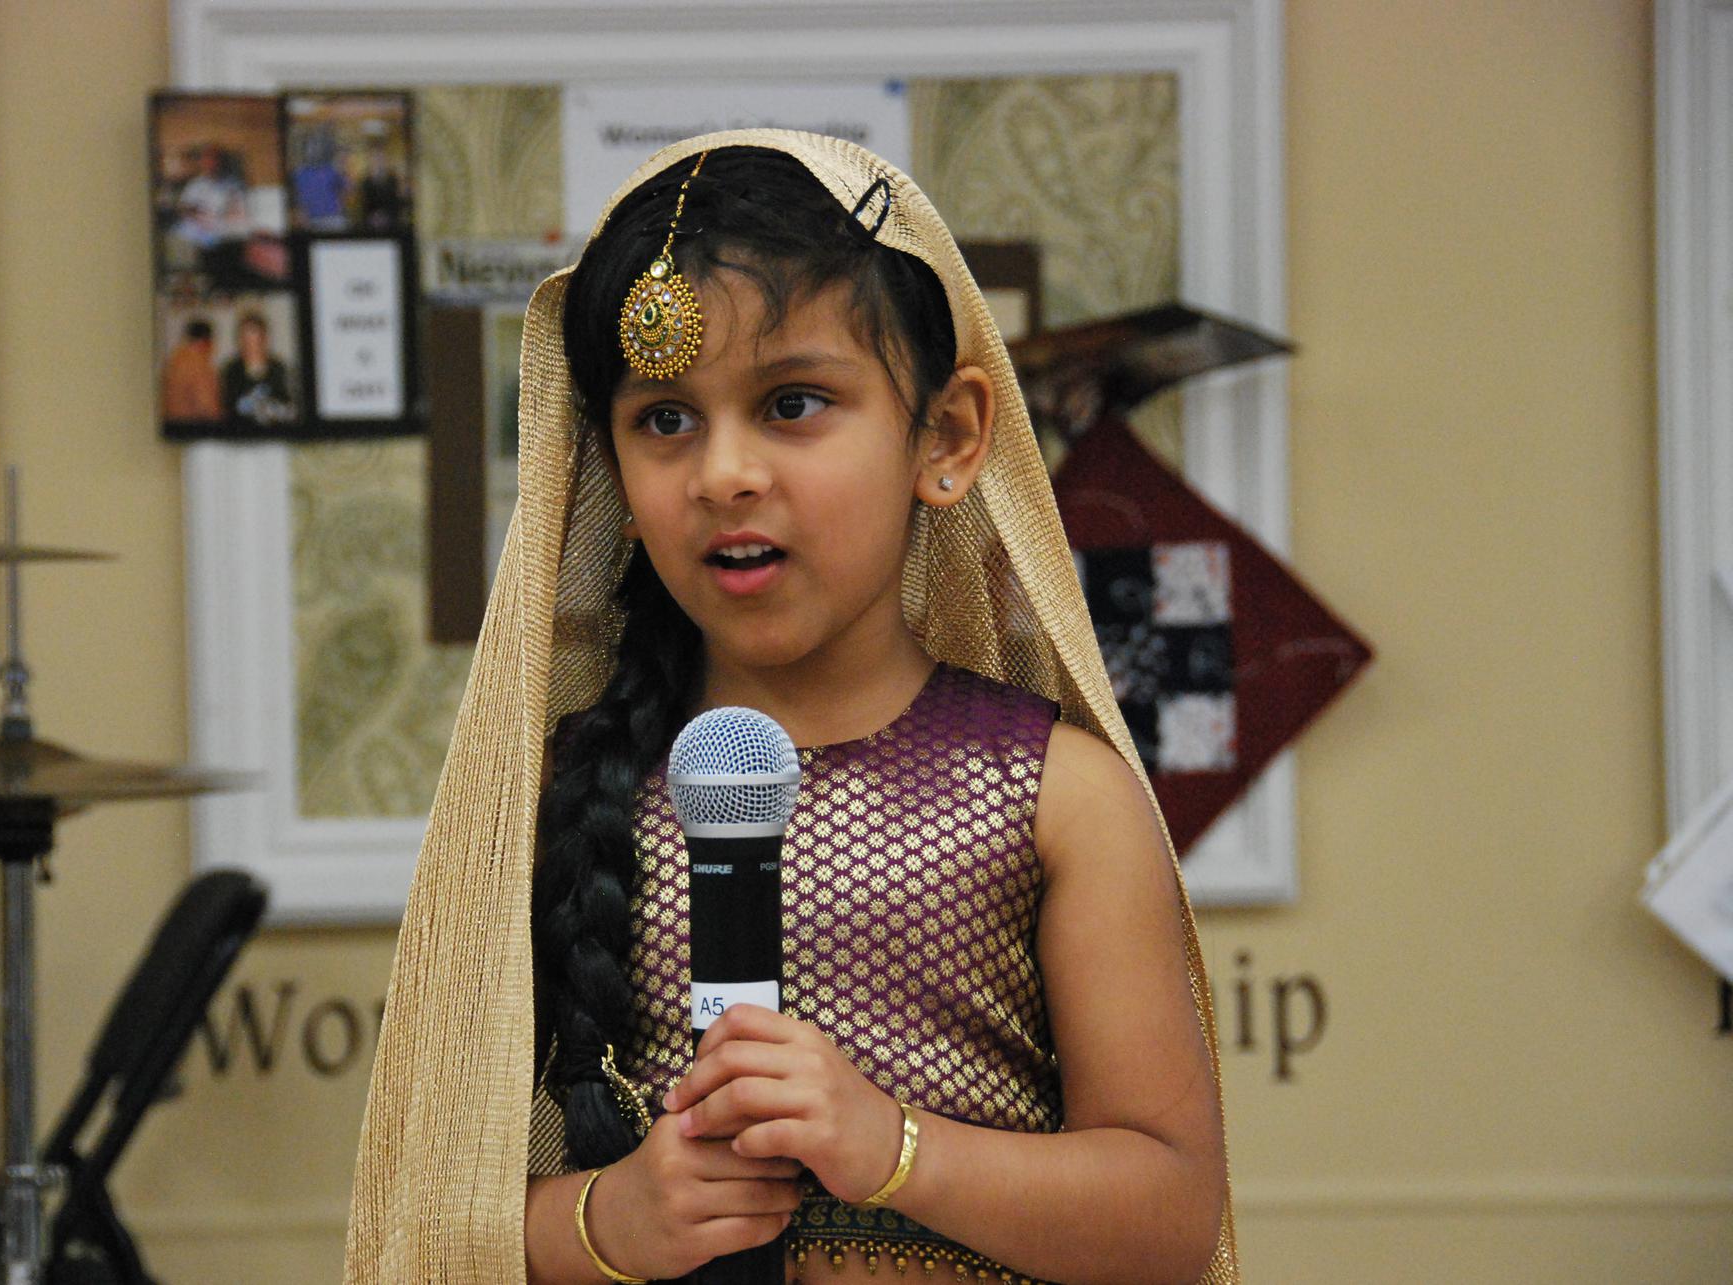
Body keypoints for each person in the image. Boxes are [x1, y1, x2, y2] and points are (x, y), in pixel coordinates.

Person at [347, 130, 1240, 1285]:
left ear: (948, 436)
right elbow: (428, 1224)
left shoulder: (1057, 797)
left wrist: (893, 1149)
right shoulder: (553, 795)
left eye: (793, 402)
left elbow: (1168, 1216)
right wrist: (614, 1218)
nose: (724, 473)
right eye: (665, 419)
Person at [219, 311, 295, 427]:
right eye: (245, 339)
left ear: (264, 339)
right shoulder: (231, 370)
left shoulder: (279, 368)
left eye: (255, 339)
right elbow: (226, 409)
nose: (249, 345)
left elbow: (288, 407)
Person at [161, 317, 221, 422]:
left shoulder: (173, 361)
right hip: (193, 427)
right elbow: (207, 407)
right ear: (206, 342)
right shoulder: (200, 365)